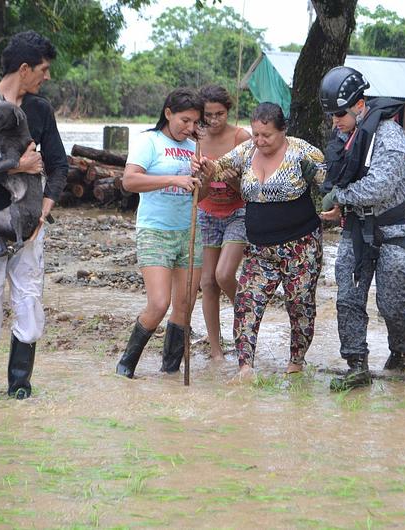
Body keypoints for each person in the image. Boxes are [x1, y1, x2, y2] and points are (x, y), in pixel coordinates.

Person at [0, 30, 68, 400]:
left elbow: (58, 165)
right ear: (24, 69)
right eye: (44, 69)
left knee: (29, 299)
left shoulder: (40, 110)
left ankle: (20, 388)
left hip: (29, 223)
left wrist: (43, 212)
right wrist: (17, 166)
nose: (47, 77)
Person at [194, 102, 325, 381]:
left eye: (267, 135)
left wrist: (336, 208)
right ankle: (245, 368)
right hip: (258, 249)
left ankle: (296, 362)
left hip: (300, 246)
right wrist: (205, 165)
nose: (260, 141)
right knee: (246, 303)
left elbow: (331, 184)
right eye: (255, 134)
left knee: (299, 304)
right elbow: (219, 168)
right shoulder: (247, 151)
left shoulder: (303, 152)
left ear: (283, 131)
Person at [317, 66, 405, 390]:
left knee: (391, 304)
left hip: (394, 232)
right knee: (348, 299)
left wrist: (340, 196)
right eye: (332, 116)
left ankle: (400, 352)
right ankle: (356, 365)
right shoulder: (345, 136)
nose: (335, 122)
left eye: (339, 114)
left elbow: (378, 187)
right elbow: (335, 171)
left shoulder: (389, 137)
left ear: (358, 106)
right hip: (357, 230)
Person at [115, 88, 204, 379]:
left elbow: (201, 191)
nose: (190, 128)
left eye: (195, 122)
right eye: (185, 120)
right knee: (159, 303)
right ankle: (126, 365)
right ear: (168, 113)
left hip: (190, 231)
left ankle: (170, 371)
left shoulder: (195, 147)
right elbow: (129, 180)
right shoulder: (148, 141)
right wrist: (173, 179)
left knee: (184, 305)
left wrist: (206, 173)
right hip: (155, 230)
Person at [195, 85, 251, 360]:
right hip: (207, 212)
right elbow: (197, 193)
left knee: (224, 274)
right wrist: (205, 179)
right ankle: (216, 350)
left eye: (220, 114)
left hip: (238, 211)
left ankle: (247, 315)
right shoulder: (196, 139)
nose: (214, 120)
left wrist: (234, 179)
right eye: (209, 115)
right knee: (207, 282)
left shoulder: (241, 138)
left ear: (228, 112)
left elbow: (254, 186)